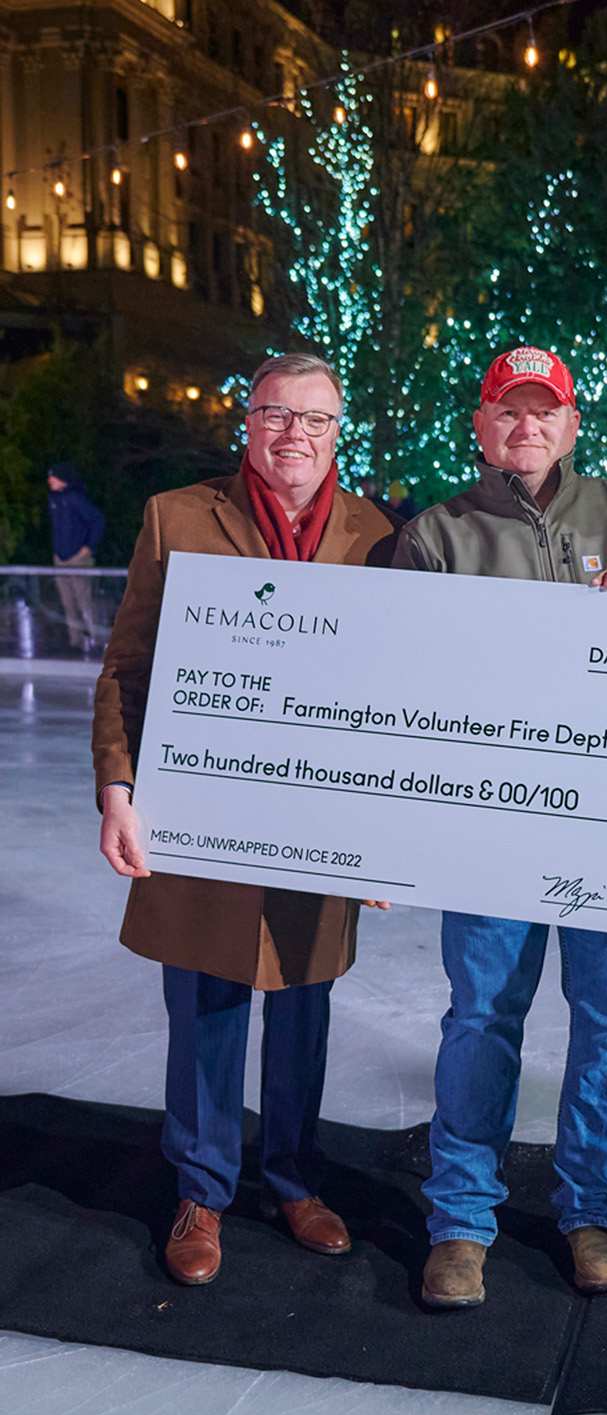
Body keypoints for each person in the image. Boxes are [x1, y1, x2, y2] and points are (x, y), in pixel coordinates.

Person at [393, 344, 607, 1308]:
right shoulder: (436, 536)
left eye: (544, 411)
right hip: (489, 828)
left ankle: (591, 1212)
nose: (525, 427)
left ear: (571, 424)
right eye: (506, 411)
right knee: (481, 1017)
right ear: (480, 426)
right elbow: (392, 688)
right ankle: (459, 1222)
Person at [92, 353, 398, 1285]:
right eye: (276, 415)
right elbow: (128, 670)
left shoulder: (379, 535)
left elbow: (398, 693)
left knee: (304, 1005)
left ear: (338, 433)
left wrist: (394, 832)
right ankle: (202, 1187)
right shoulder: (179, 518)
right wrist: (117, 787)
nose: (294, 434)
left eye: (315, 420)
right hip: (201, 811)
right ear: (248, 424)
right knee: (207, 1006)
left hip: (319, 818)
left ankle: (294, 1178)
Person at [46, 461, 106, 651]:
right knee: (67, 602)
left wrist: (88, 547)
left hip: (77, 558)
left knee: (84, 601)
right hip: (60, 557)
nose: (50, 481)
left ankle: (96, 639)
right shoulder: (54, 499)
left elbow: (97, 520)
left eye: (53, 477)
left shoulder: (75, 498)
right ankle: (75, 641)